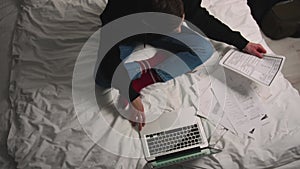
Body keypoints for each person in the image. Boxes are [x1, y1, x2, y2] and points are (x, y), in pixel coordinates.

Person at [96, 0, 267, 130]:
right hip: (126, 32)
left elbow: (199, 17)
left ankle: (146, 71)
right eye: (175, 28)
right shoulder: (120, 13)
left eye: (181, 21)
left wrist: (241, 42)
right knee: (103, 79)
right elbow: (108, 59)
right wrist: (132, 96)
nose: (180, 30)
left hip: (156, 25)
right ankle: (155, 58)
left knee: (204, 49)